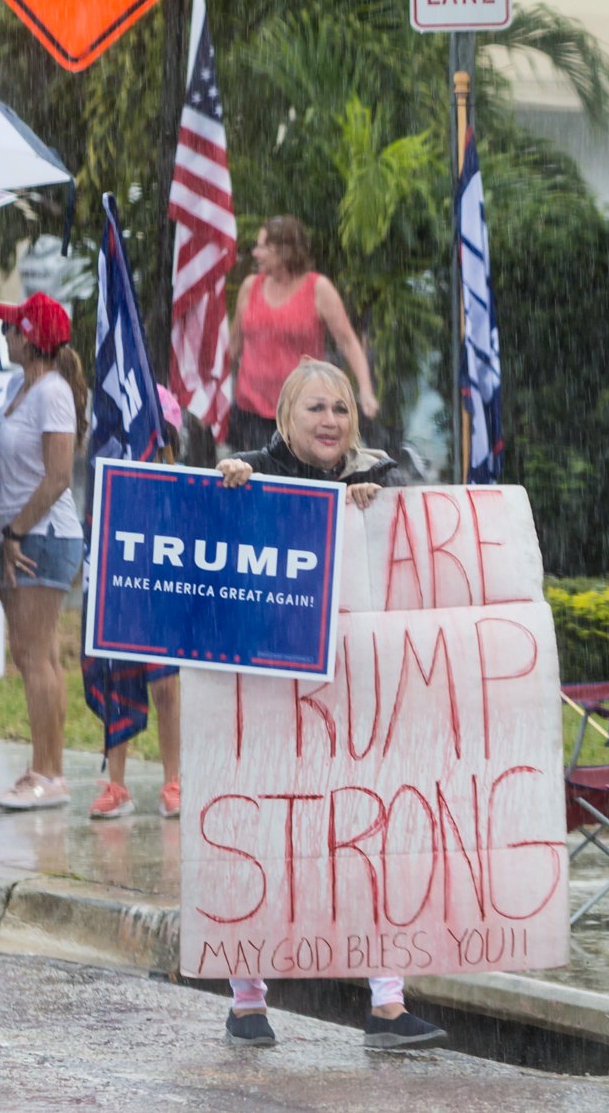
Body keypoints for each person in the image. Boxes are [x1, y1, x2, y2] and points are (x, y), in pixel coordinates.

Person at [212, 358, 438, 1050]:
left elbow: (412, 558)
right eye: (316, 408)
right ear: (286, 417)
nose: (331, 420)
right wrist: (228, 487)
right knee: (258, 837)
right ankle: (247, 1001)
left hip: (355, 696)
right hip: (269, 693)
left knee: (372, 836)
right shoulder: (250, 474)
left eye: (341, 408)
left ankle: (388, 1006)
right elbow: (207, 543)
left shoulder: (380, 477)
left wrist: (371, 510)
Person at [0, 292, 87, 812]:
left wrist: (15, 532)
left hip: (42, 537)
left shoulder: (53, 393)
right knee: (35, 656)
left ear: (29, 339)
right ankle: (46, 768)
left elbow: (59, 476)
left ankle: (48, 774)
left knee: (34, 655)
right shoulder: (20, 388)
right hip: (26, 534)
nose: (4, 335)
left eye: (11, 329)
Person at [224, 217, 378, 453]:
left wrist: (365, 391)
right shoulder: (250, 286)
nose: (255, 253)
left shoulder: (318, 288)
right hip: (250, 410)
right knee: (252, 471)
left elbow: (347, 342)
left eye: (262, 247)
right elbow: (233, 344)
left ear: (285, 250)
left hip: (302, 414)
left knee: (291, 474)